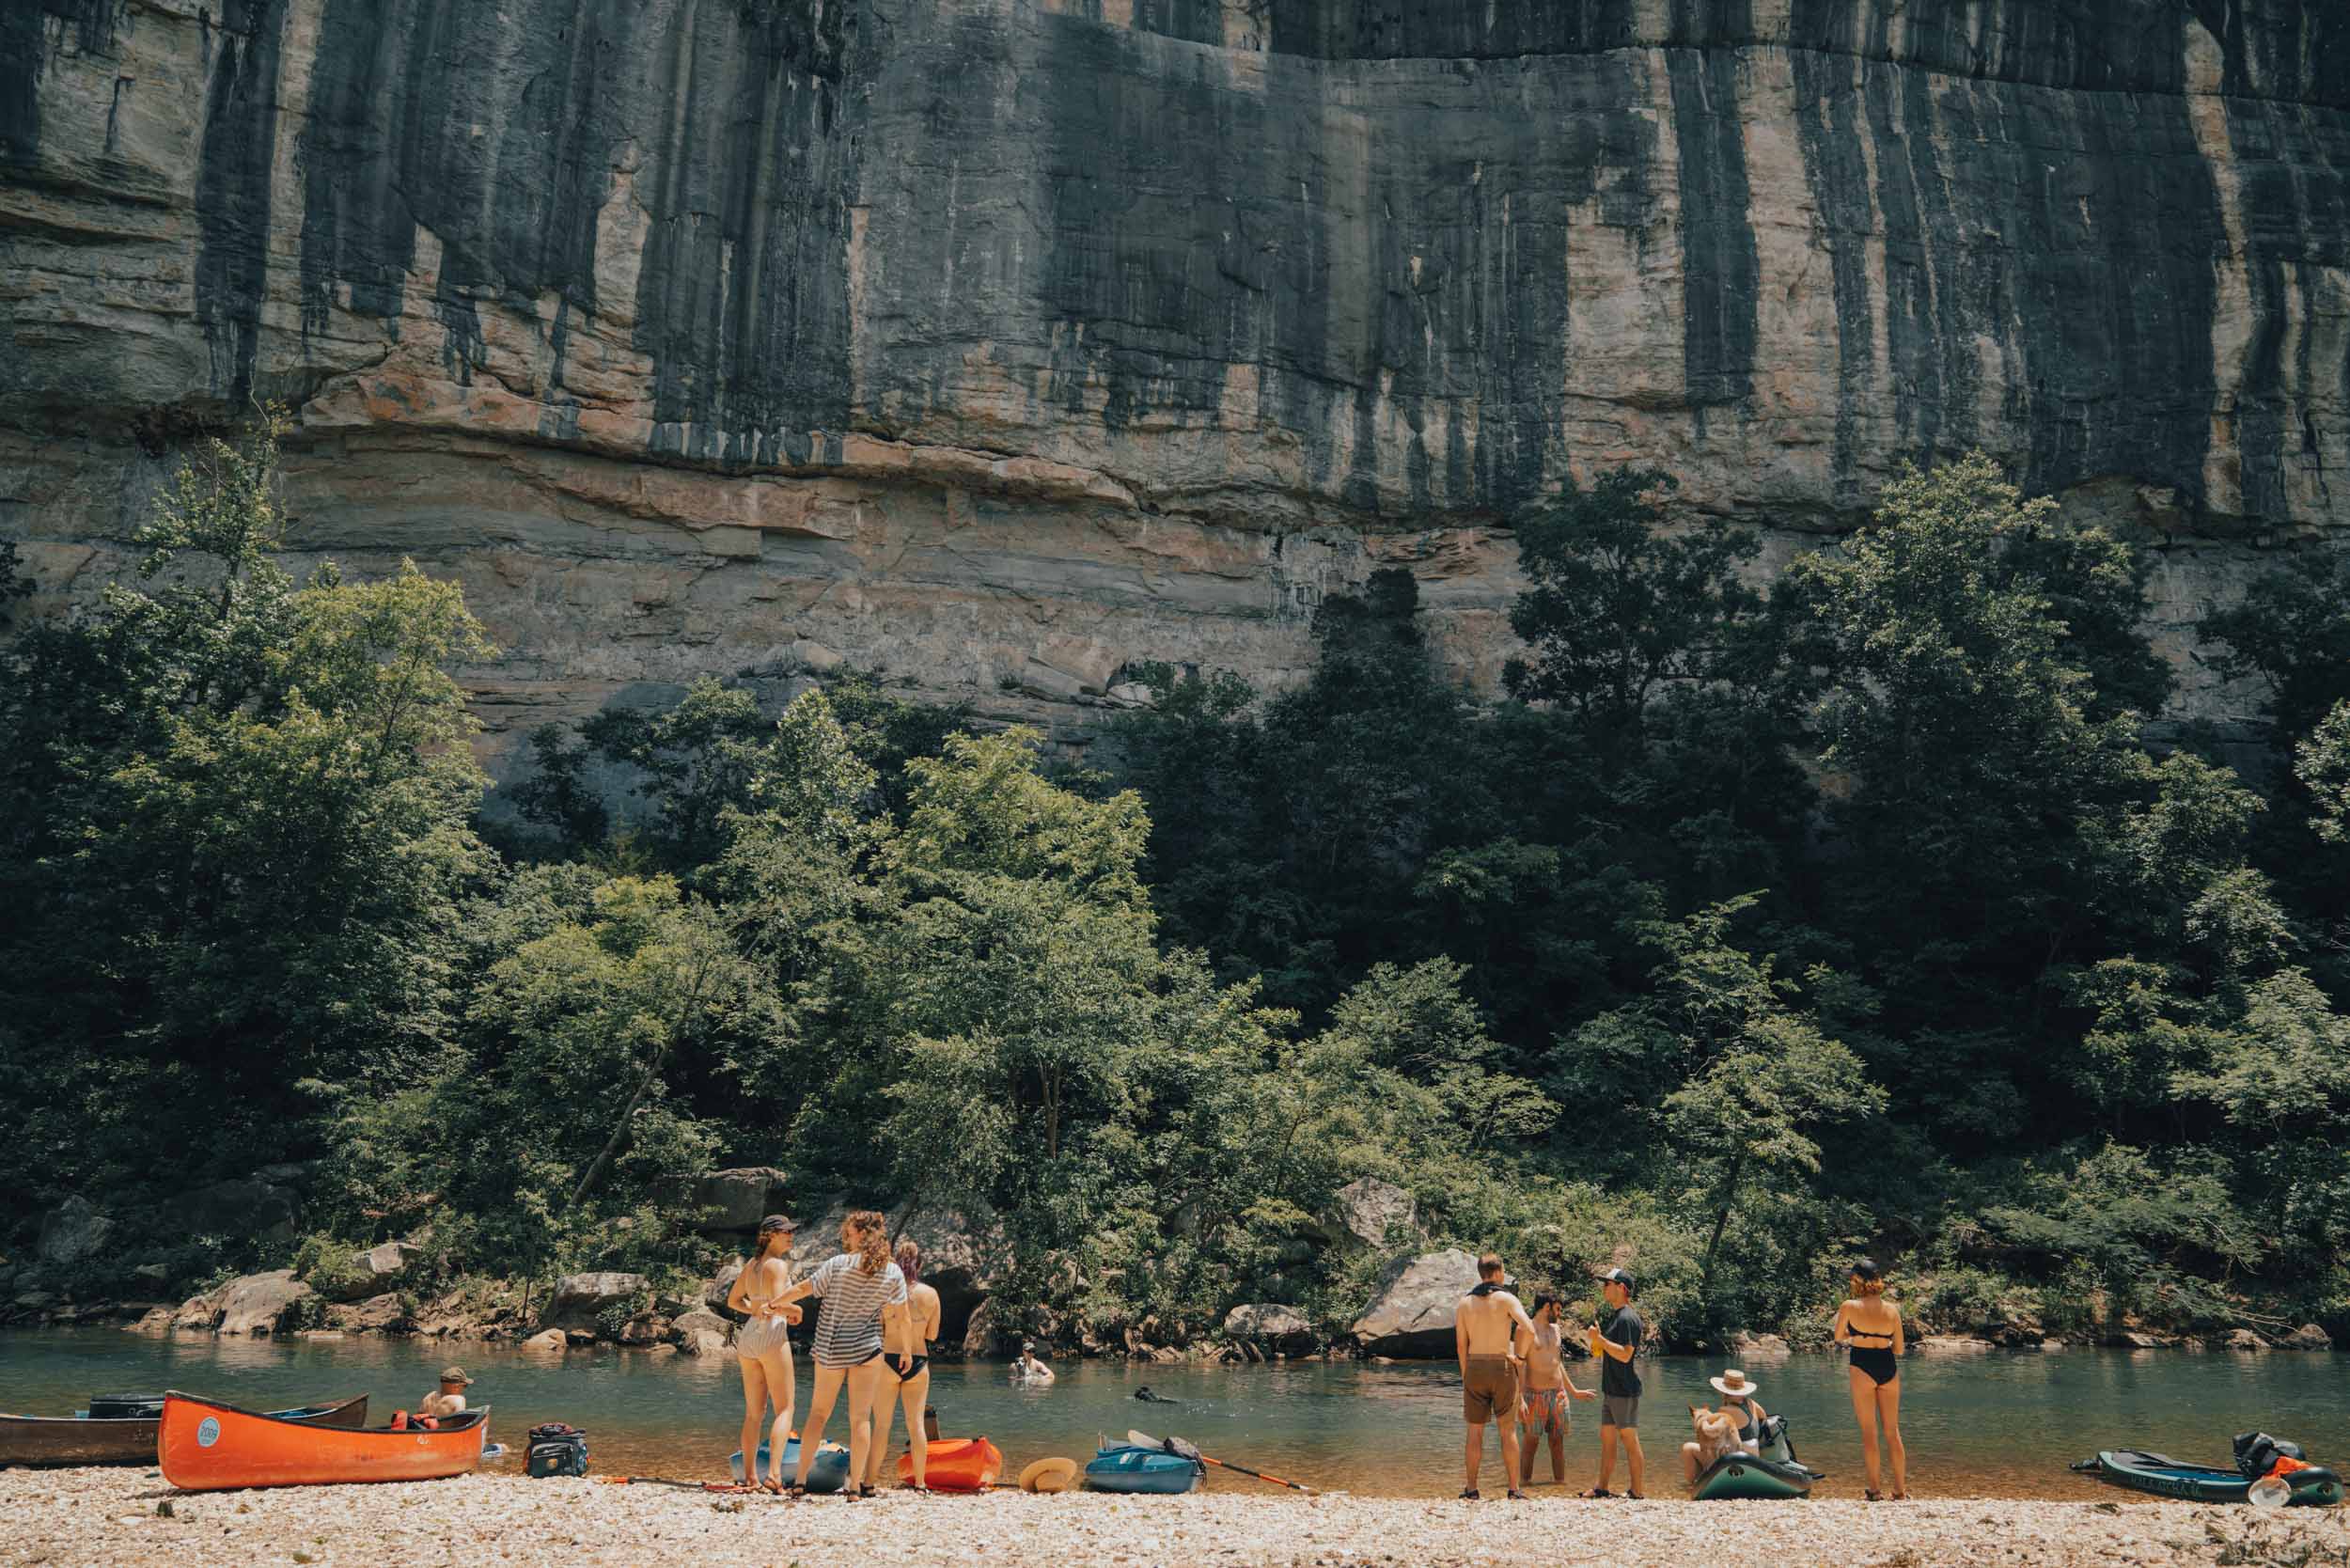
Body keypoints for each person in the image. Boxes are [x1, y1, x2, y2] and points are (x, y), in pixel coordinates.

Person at [780, 1210, 910, 1500]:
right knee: (861, 1419)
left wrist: (775, 1303)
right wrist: (905, 1350)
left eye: (849, 1234)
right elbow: (902, 1316)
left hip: (832, 1349)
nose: (845, 1239)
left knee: (818, 1414)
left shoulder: (838, 1264)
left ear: (862, 1234)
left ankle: (800, 1481)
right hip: (868, 1350)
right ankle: (854, 1487)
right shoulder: (893, 1272)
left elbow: (804, 1288)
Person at [726, 1213, 804, 1492]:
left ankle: (750, 1477)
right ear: (769, 1235)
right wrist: (796, 1310)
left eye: (791, 1231)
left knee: (753, 1413)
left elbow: (733, 1300)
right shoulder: (778, 1265)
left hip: (749, 1336)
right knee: (785, 1408)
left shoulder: (752, 1265)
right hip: (771, 1335)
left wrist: (755, 1310)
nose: (791, 1235)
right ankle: (774, 1474)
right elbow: (779, 1303)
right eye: (786, 1232)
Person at [1453, 1252, 1539, 1500]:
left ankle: (1471, 1489)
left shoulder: (1464, 1303)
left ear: (1480, 1273)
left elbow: (1461, 1345)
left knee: (1475, 1432)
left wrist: (1466, 1375)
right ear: (1499, 1272)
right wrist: (1519, 1357)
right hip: (1502, 1366)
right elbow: (1529, 1329)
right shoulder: (1507, 1299)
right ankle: (1514, 1489)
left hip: (1475, 1366)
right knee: (1507, 1430)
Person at [864, 1238, 939, 1493]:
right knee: (916, 1425)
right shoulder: (931, 1294)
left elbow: (878, 1327)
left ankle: (869, 1482)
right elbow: (932, 1335)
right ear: (920, 1264)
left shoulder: (886, 1291)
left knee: (881, 1425)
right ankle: (920, 1483)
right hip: (918, 1360)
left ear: (896, 1263)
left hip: (888, 1359)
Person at [1832, 1256, 1907, 1500]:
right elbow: (1899, 1349)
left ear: (1857, 1280)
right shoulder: (1892, 1310)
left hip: (1862, 1365)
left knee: (1869, 1432)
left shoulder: (1849, 1306)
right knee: (1892, 1432)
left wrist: (1857, 1337)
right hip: (1888, 1365)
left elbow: (1839, 1337)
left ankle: (1874, 1491)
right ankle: (1900, 1491)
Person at [1513, 1294, 1596, 1488]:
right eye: (1557, 1309)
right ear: (1546, 1307)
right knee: (1531, 1442)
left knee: (1557, 1443)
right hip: (1534, 1394)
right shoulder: (1525, 1329)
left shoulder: (1556, 1329)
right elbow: (1519, 1365)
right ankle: (1524, 1484)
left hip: (1558, 1394)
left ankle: (1560, 1485)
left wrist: (1573, 1391)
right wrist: (1520, 1398)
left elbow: (1557, 1363)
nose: (1560, 1314)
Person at [1584, 1266, 1645, 1498]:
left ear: (1621, 1288)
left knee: (1629, 1440)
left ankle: (1637, 1491)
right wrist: (1597, 1343)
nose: (1604, 1288)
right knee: (1607, 1440)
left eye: (1607, 1284)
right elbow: (1604, 1352)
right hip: (1612, 1389)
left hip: (1624, 1390)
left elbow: (1626, 1354)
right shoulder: (1617, 1316)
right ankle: (1602, 1487)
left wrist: (1600, 1339)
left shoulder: (1627, 1318)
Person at [1682, 1369, 1767, 1485]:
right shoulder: (1751, 1403)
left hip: (1736, 1460)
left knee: (1688, 1448)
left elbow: (1712, 1435)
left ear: (1723, 1392)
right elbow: (1763, 1416)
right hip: (1754, 1456)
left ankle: (1695, 1487)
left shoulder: (1725, 1410)